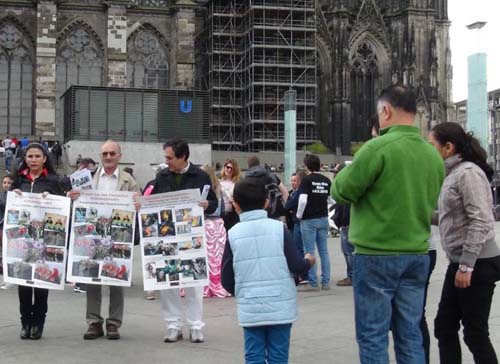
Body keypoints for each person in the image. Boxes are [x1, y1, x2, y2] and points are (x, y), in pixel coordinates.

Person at [331, 85, 445, 363]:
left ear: (386, 110)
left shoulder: (376, 148)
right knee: (410, 334)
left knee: (373, 336)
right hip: (417, 253)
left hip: (376, 255)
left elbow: (341, 191)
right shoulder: (433, 155)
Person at [221, 178, 315, 363]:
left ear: (236, 205)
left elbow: (226, 278)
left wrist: (242, 292)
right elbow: (296, 266)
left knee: (253, 355)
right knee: (278, 355)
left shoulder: (232, 234)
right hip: (280, 305)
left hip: (251, 305)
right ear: (266, 203)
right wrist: (308, 262)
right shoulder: (279, 229)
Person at [429, 122, 500, 364]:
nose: (430, 151)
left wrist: (467, 266)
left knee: (474, 332)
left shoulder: (468, 173)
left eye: (432, 145)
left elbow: (481, 219)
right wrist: (419, 213)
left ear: (448, 147)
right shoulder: (453, 174)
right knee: (444, 326)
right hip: (462, 262)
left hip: (476, 263)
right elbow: (453, 217)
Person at [68, 140, 139, 340]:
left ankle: (114, 323)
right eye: (105, 153)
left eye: (112, 154)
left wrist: (137, 203)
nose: (108, 157)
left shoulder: (129, 181)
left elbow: (138, 203)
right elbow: (77, 205)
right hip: (93, 236)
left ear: (119, 156)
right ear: (101, 155)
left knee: (117, 279)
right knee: (92, 279)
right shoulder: (87, 179)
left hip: (118, 236)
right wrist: (72, 197)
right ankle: (94, 322)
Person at [150, 138, 217, 343]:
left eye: (170, 158)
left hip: (191, 236)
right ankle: (173, 325)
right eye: (166, 157)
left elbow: (214, 202)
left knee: (194, 282)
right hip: (166, 236)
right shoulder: (161, 176)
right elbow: (152, 201)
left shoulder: (201, 176)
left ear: (183, 157)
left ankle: (196, 325)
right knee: (168, 281)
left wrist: (208, 205)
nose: (166, 161)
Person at [10, 143, 65, 340]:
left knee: (42, 283)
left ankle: (38, 323)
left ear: (44, 159)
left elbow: (63, 207)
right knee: (23, 283)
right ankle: (25, 322)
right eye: (29, 156)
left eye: (37, 156)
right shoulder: (18, 180)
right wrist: (11, 195)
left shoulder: (53, 180)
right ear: (25, 159)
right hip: (23, 240)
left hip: (45, 240)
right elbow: (5, 205)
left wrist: (52, 199)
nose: (33, 159)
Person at [296, 154, 332, 291]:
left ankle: (313, 282)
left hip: (309, 219)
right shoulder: (326, 180)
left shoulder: (306, 180)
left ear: (307, 166)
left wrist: (299, 215)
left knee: (309, 251)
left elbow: (303, 200)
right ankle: (326, 281)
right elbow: (331, 199)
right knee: (324, 251)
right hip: (323, 218)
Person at [201, 163, 230, 298]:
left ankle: (205, 285)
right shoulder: (219, 188)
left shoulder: (203, 191)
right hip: (218, 224)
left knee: (206, 256)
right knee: (218, 256)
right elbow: (223, 209)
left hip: (206, 223)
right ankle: (220, 282)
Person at [332, 163, 354, 287]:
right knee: (351, 251)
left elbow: (341, 207)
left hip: (346, 223)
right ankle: (354, 275)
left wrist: (338, 221)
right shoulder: (352, 185)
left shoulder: (344, 188)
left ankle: (351, 276)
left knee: (348, 251)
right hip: (350, 222)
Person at [219, 159, 241, 231]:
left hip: (231, 215)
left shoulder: (237, 183)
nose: (229, 170)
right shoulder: (218, 181)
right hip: (219, 214)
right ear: (224, 167)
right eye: (227, 167)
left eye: (232, 169)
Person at [0, 174, 13, 287]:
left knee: (10, 252)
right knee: (3, 252)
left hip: (11, 228)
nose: (6, 185)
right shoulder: (1, 195)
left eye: (9, 183)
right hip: (1, 227)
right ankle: (6, 277)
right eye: (4, 182)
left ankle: (10, 278)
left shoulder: (16, 196)